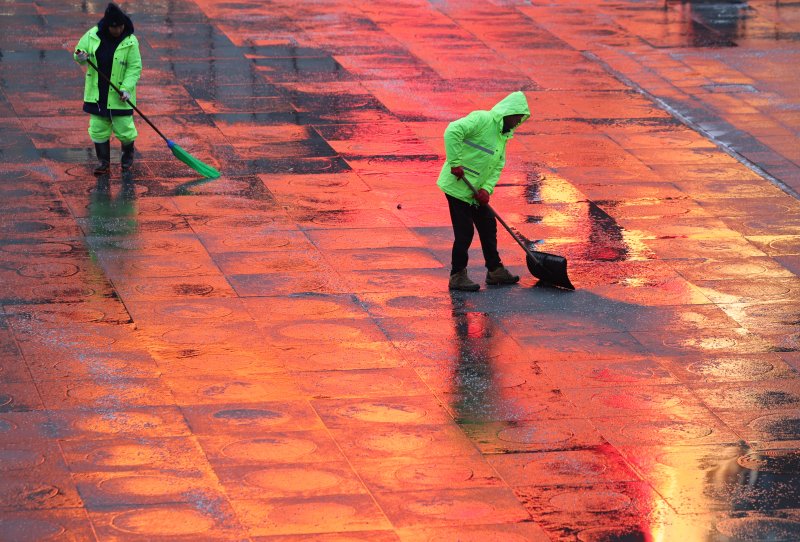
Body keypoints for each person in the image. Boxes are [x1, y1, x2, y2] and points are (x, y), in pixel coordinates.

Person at [437, 91, 530, 291]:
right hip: (456, 186)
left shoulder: (502, 137)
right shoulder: (483, 119)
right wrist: (454, 163)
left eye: (520, 119)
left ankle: (495, 270)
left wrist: (486, 190)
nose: (517, 123)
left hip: (475, 190)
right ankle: (457, 275)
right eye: (516, 117)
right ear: (508, 112)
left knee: (488, 224)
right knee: (465, 232)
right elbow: (452, 131)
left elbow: (497, 166)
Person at [74, 3, 141, 175]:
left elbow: (134, 68)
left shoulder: (131, 41)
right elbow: (79, 54)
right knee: (98, 128)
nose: (118, 31)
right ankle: (103, 163)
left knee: (125, 130)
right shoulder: (92, 36)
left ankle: (127, 160)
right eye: (114, 28)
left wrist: (126, 89)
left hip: (120, 95)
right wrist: (81, 56)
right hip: (97, 93)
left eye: (120, 27)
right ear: (107, 25)